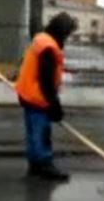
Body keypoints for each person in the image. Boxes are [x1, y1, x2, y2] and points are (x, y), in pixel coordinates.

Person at [15, 12, 77, 181]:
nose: (68, 38)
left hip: (27, 94)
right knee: (41, 132)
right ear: (62, 32)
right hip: (37, 97)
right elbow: (46, 80)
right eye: (68, 34)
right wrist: (54, 104)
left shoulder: (41, 39)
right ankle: (44, 164)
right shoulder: (48, 48)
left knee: (33, 132)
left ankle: (35, 166)